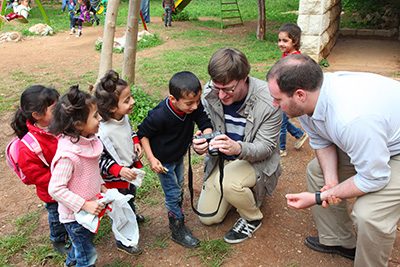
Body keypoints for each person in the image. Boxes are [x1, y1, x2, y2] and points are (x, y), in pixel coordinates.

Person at [267, 54, 400, 267]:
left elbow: (374, 179)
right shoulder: (311, 96)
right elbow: (320, 139)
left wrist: (320, 196)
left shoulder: (351, 119)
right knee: (317, 170)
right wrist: (331, 181)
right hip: (377, 138)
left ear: (299, 94)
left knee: (369, 214)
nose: (274, 104)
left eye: (278, 99)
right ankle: (340, 240)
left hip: (394, 148)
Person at [192, 47, 282, 244]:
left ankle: (252, 217)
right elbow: (205, 126)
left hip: (255, 161)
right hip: (222, 160)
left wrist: (238, 149)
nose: (222, 96)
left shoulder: (269, 101)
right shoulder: (210, 92)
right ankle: (236, 191)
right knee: (208, 217)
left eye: (228, 89)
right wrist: (200, 144)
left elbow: (266, 148)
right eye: (217, 88)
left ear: (245, 78)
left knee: (228, 182)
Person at [137, 71, 213, 248]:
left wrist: (207, 137)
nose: (194, 107)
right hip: (163, 161)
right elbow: (143, 133)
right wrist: (151, 159)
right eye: (189, 103)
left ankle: (175, 215)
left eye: (197, 101)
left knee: (179, 186)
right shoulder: (160, 115)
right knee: (172, 193)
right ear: (172, 99)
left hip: (178, 156)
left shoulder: (193, 106)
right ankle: (177, 229)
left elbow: (204, 121)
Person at [48, 85, 106, 267]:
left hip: (87, 212)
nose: (100, 118)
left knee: (80, 245)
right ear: (78, 125)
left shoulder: (87, 139)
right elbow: (55, 189)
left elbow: (91, 170)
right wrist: (84, 205)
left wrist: (101, 184)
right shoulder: (68, 156)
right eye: (95, 115)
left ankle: (71, 262)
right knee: (87, 255)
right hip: (76, 217)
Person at [9, 85, 71, 255]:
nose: (60, 110)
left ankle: (73, 231)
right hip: (52, 191)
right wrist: (59, 181)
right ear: (37, 115)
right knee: (56, 215)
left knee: (69, 210)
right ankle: (58, 239)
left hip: (69, 182)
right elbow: (36, 174)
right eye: (54, 108)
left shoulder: (59, 126)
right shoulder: (29, 145)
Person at [95, 70, 144, 255]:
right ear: (111, 108)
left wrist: (136, 141)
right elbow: (100, 160)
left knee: (130, 196)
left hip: (128, 171)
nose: (132, 102)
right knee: (118, 206)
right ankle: (123, 239)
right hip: (115, 178)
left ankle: (130, 215)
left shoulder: (123, 117)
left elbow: (129, 132)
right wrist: (119, 170)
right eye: (126, 100)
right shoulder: (102, 131)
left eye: (130, 97)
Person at [277, 23, 308, 157]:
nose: (281, 44)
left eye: (285, 40)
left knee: (280, 122)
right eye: (279, 40)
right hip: (282, 94)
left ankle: (281, 149)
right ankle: (299, 134)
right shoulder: (286, 55)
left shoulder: (296, 59)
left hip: (289, 96)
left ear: (295, 41)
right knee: (281, 119)